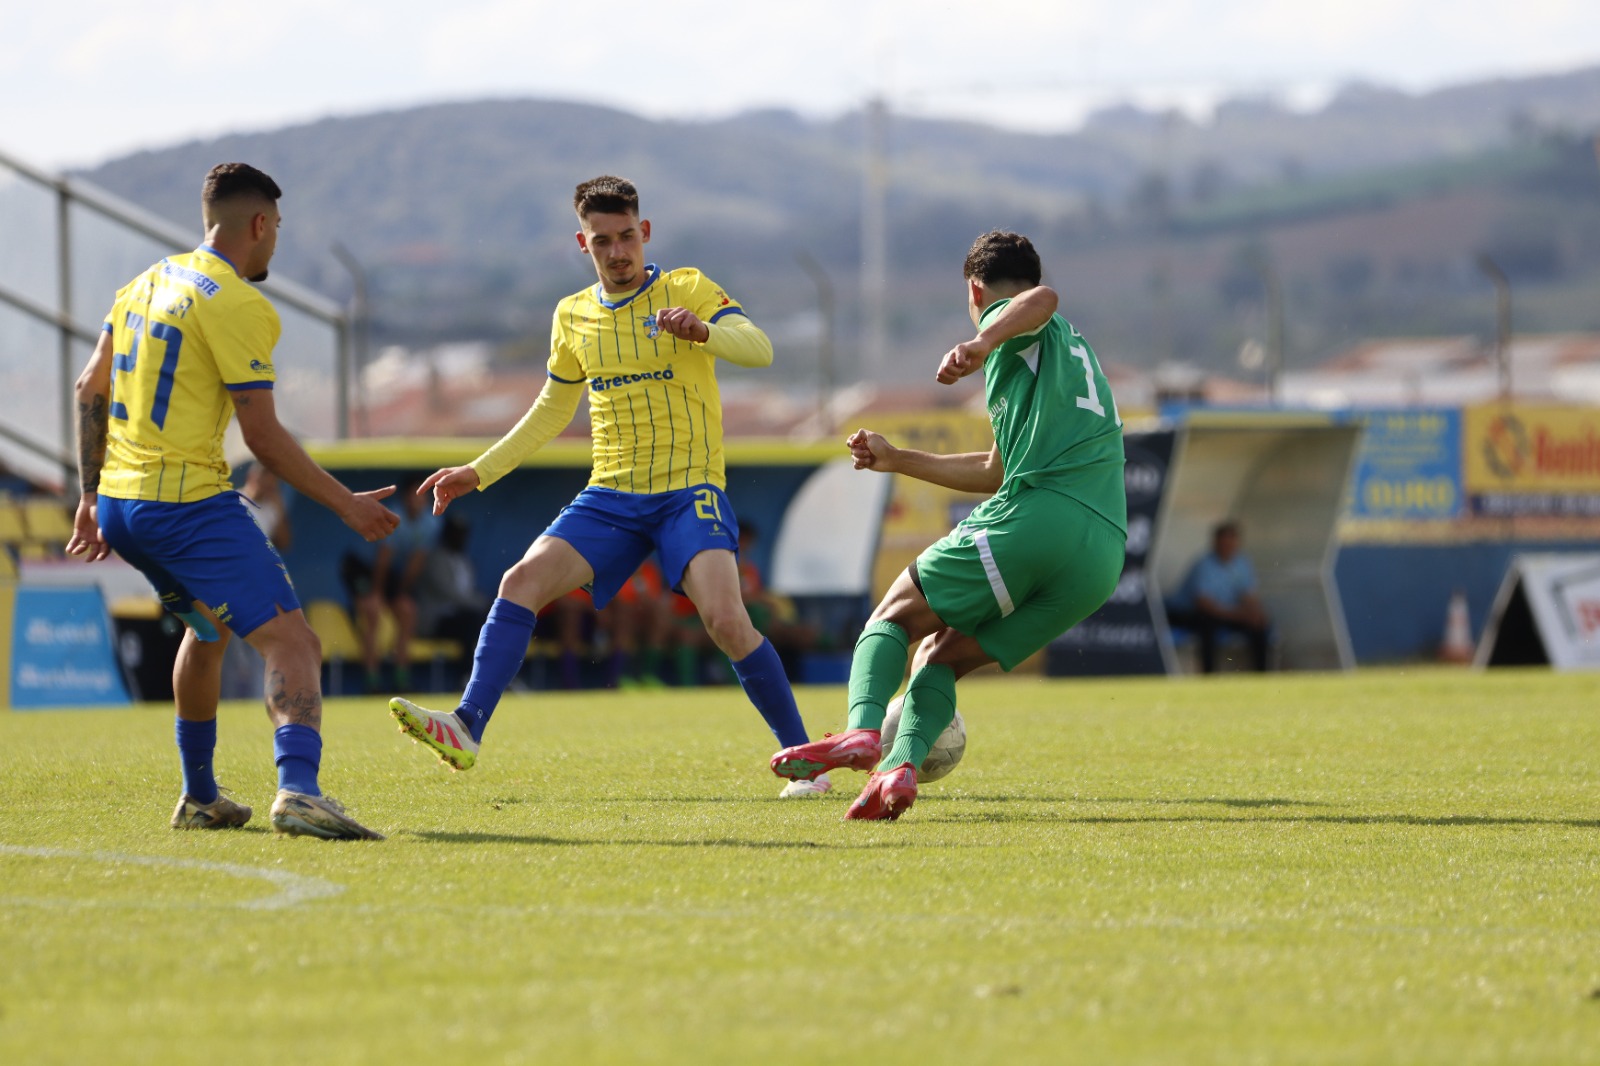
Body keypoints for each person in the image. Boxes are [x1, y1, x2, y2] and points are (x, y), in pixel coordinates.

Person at [389, 175, 828, 797]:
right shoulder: (572, 315)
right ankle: (466, 725)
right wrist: (477, 471)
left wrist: (705, 332)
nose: (618, 252)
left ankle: (803, 760)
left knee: (728, 620)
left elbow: (758, 349)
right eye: (603, 242)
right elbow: (550, 410)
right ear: (583, 243)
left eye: (627, 237)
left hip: (688, 489)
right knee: (520, 581)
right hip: (612, 493)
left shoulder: (686, 289)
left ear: (644, 232)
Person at [66, 162, 396, 840]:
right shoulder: (238, 302)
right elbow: (265, 439)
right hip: (188, 504)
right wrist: (345, 504)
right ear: (259, 224)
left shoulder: (143, 284)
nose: (274, 243)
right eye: (275, 230)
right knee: (294, 640)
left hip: (125, 510)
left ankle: (199, 797)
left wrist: (89, 494)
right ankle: (299, 791)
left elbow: (88, 388)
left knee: (208, 631)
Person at [770, 230, 1127, 820]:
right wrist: (898, 459)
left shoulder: (1024, 327)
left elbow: (1043, 298)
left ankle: (861, 733)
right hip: (1098, 559)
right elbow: (995, 468)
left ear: (974, 288)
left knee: (892, 615)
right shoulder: (1065, 356)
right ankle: (897, 770)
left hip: (1041, 515)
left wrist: (982, 340)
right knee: (940, 656)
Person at [341, 474, 442, 690]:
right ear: (406, 497)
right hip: (360, 567)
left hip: (387, 572)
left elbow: (416, 563)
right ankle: (372, 680)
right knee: (372, 611)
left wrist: (401, 592)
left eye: (425, 496)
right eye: (416, 495)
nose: (421, 501)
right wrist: (377, 593)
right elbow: (382, 560)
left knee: (407, 611)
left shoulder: (431, 523)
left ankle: (401, 679)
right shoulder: (393, 516)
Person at [1164, 520, 1271, 673]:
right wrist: (1239, 615)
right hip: (1187, 613)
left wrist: (1254, 613)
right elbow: (1204, 604)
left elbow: (1248, 595)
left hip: (1226, 614)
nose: (1227, 547)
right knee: (1208, 625)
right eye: (1224, 543)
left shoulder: (1242, 563)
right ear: (1215, 543)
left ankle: (1262, 675)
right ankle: (1209, 677)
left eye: (1231, 543)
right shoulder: (1204, 565)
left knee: (1259, 624)